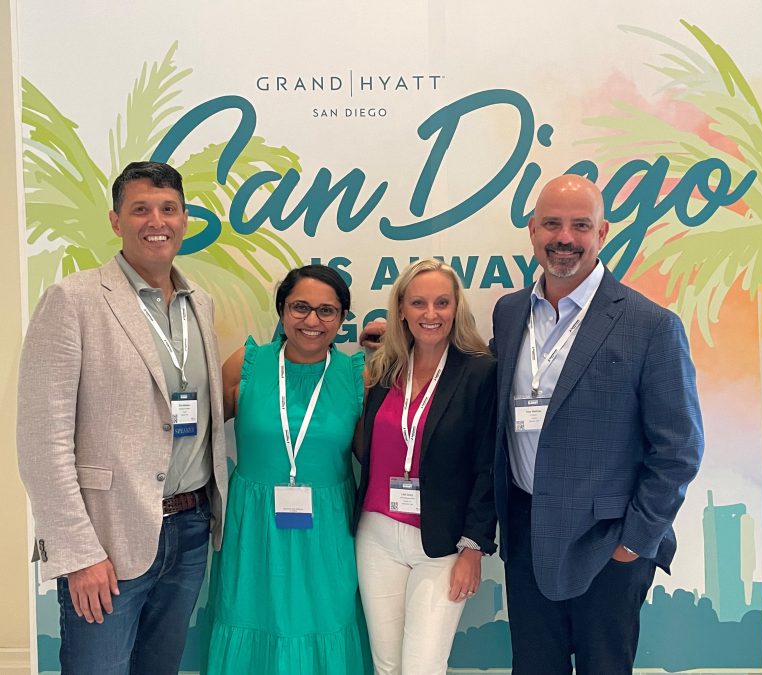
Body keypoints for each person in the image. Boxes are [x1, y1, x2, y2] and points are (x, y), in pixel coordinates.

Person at [360, 175, 704, 674]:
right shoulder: (512, 310)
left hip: (606, 542)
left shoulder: (650, 326)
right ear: (532, 230)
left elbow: (679, 450)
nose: (564, 237)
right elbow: (469, 384)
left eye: (579, 225)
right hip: (527, 533)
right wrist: (396, 343)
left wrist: (634, 543)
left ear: (602, 232)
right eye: (552, 224)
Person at [17, 161, 228, 675]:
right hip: (108, 537)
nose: (156, 220)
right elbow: (41, 442)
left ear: (184, 219)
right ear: (116, 221)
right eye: (140, 209)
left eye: (168, 208)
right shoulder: (74, 300)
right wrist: (77, 553)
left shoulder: (200, 304)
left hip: (190, 529)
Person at [205, 264, 371, 675]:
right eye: (300, 307)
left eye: (326, 311)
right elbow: (196, 436)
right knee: (251, 618)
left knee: (325, 622)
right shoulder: (247, 363)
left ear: (342, 319)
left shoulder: (357, 375)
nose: (312, 320)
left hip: (328, 530)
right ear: (281, 310)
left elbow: (375, 455)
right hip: (254, 529)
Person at [354, 258, 497, 675]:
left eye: (441, 303)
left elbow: (488, 467)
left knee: (422, 667)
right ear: (401, 309)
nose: (430, 314)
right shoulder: (384, 368)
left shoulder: (480, 372)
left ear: (456, 308)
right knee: (387, 666)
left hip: (442, 542)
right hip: (376, 535)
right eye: (418, 303)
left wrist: (473, 546)